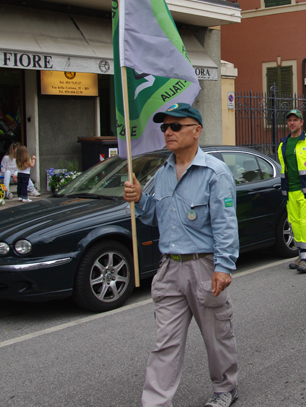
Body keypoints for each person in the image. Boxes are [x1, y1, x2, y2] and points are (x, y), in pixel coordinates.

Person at [123, 103, 239, 407]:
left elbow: (226, 224)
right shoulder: (162, 172)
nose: (168, 132)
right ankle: (156, 402)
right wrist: (140, 198)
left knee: (216, 336)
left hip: (204, 267)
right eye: (165, 127)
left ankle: (225, 387)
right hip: (169, 269)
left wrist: (224, 266)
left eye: (176, 126)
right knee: (165, 343)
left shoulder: (215, 173)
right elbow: (155, 215)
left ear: (196, 130)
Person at [277, 109, 306, 273]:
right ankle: (301, 254)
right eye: (289, 120)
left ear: (301, 122)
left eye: (295, 120)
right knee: (295, 224)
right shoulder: (283, 144)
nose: (292, 123)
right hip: (290, 192)